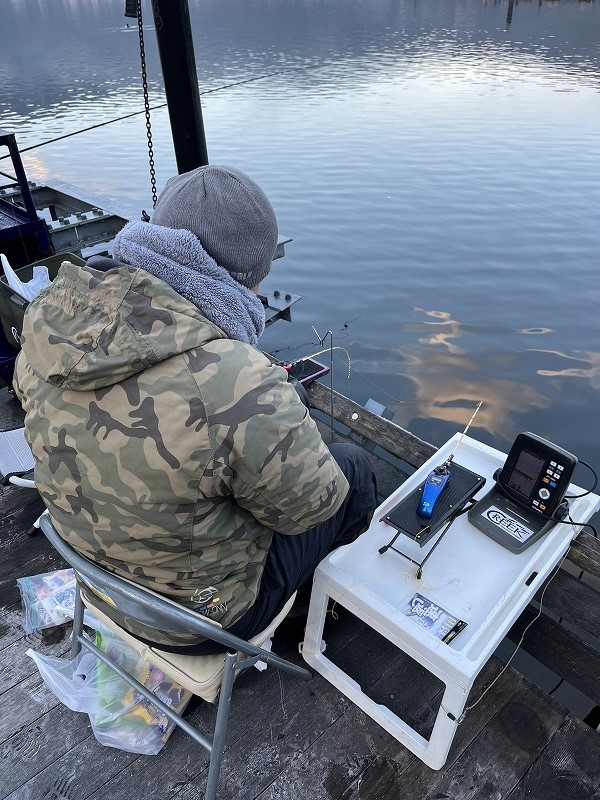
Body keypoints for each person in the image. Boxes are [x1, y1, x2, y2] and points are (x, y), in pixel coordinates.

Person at [13, 165, 377, 653]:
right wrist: (277, 407)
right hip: (197, 624)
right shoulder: (238, 379)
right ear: (246, 279)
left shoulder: (48, 322)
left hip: (98, 582)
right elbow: (312, 509)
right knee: (353, 470)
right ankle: (309, 608)